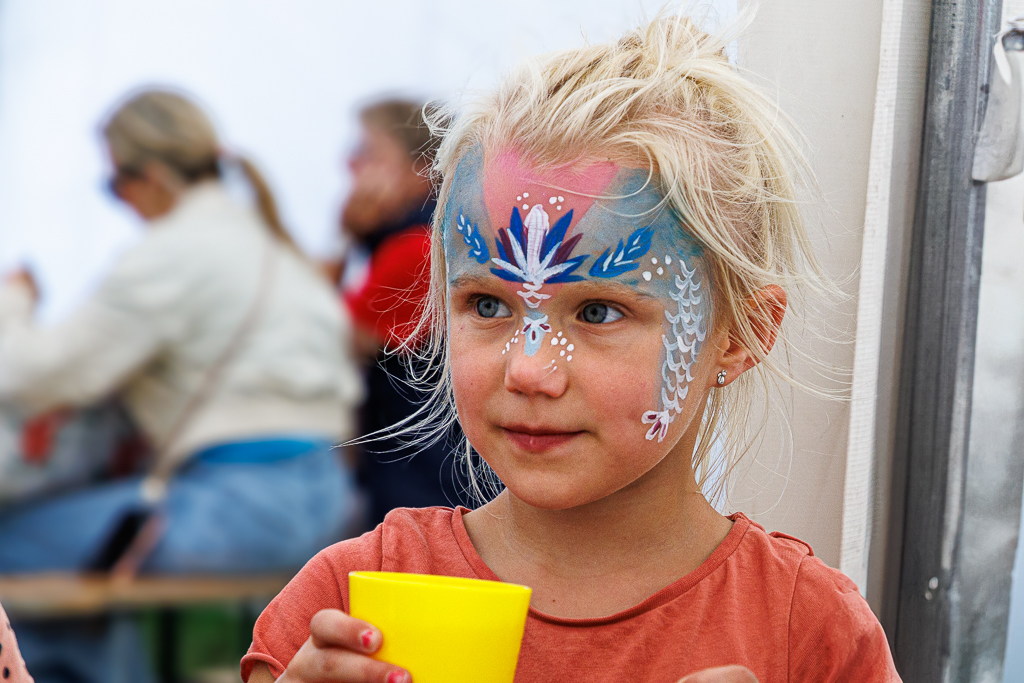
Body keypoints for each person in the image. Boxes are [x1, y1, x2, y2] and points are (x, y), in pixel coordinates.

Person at [242, 15, 900, 683]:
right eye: (489, 304)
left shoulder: (806, 629)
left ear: (742, 334)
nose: (529, 370)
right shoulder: (351, 602)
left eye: (597, 311)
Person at [0, 89, 363, 683]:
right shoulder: (274, 243)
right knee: (91, 566)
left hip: (238, 508)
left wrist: (15, 299)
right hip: (324, 501)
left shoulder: (172, 254)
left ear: (149, 176)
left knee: (15, 547)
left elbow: (34, 374)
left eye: (113, 187)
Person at [338, 99, 468, 526]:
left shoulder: (415, 247)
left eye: (369, 154)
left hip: (422, 477)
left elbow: (333, 339)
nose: (351, 166)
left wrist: (345, 238)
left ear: (423, 169)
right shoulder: (439, 233)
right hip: (435, 472)